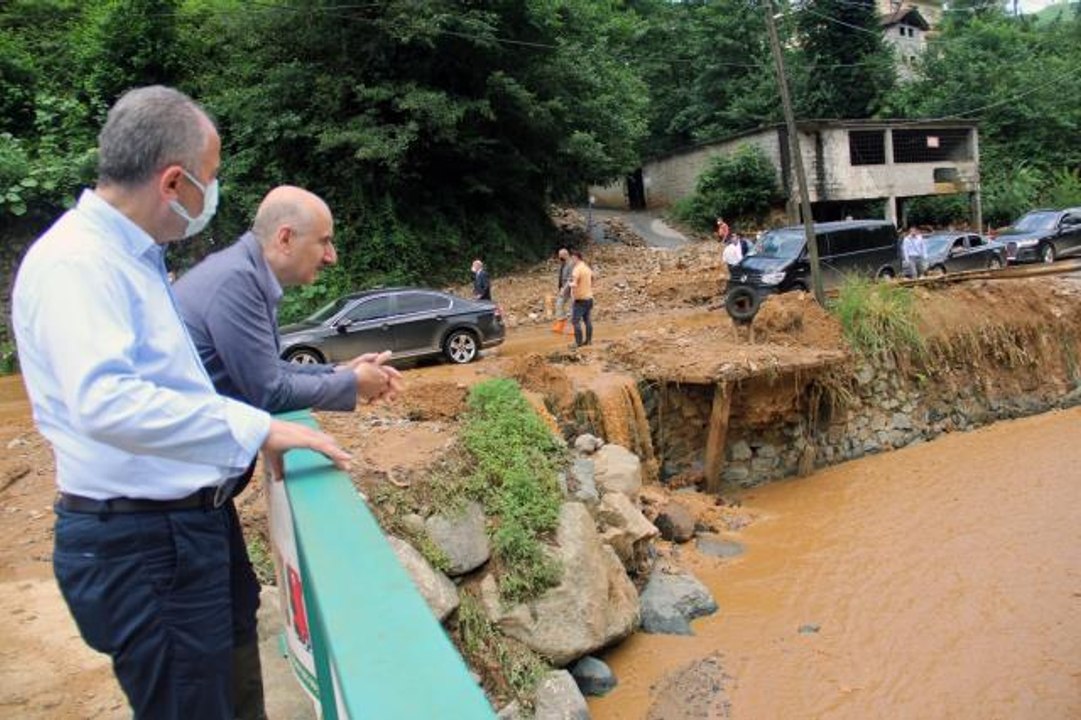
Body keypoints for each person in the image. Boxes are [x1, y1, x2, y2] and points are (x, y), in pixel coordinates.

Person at [11, 85, 351, 720]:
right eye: (211, 178)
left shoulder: (133, 258)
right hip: (144, 542)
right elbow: (107, 402)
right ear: (173, 182)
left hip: (185, 525)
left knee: (230, 692)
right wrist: (256, 430)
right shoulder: (77, 264)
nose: (213, 196)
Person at [172, 185, 402, 717]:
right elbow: (266, 391)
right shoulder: (236, 283)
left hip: (206, 498)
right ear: (284, 237)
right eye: (324, 241)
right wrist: (352, 386)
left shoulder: (244, 276)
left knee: (238, 609)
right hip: (182, 507)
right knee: (212, 637)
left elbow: (266, 375)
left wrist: (342, 372)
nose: (331, 255)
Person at [568, 249, 594, 347]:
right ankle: (588, 341)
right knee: (587, 320)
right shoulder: (587, 268)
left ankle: (578, 342)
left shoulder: (577, 269)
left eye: (572, 259)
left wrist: (570, 284)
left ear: (575, 258)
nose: (572, 261)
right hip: (589, 298)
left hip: (580, 299)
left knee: (575, 321)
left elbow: (574, 283)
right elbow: (593, 278)